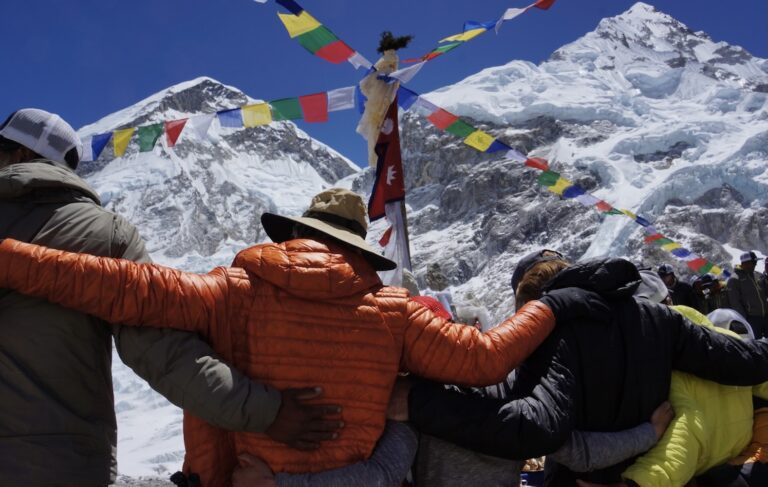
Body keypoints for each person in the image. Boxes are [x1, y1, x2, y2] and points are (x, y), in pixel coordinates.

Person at [0, 188, 584, 487]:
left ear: (300, 234)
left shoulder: (235, 289)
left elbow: (125, 288)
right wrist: (551, 304)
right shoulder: (395, 311)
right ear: (359, 248)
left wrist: (9, 258)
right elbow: (485, 360)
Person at [0, 109, 338, 485]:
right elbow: (160, 350)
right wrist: (265, 412)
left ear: (19, 156)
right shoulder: (103, 233)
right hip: (55, 463)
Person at [393, 250, 768, 486]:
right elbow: (745, 363)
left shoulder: (557, 335)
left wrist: (419, 403)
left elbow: (540, 429)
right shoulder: (657, 317)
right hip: (650, 471)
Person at [727, 251, 768, 338]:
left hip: (766, 316)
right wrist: (745, 320)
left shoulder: (757, 275)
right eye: (754, 262)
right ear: (746, 263)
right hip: (752, 320)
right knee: (756, 345)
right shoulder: (734, 279)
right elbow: (735, 303)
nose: (755, 264)